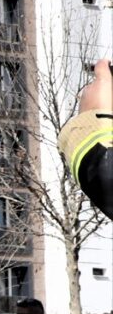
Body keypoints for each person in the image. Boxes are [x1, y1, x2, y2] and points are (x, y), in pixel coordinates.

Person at [61, 59, 113, 220]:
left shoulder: (98, 103)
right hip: (83, 162)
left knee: (103, 77)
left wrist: (104, 66)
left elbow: (102, 68)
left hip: (90, 146)